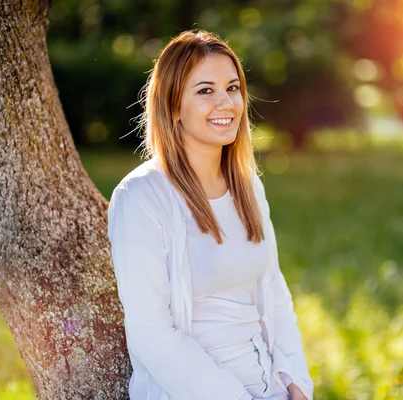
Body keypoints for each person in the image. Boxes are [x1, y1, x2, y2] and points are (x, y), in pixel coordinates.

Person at [107, 29, 314, 400]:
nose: (227, 103)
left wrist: (297, 384)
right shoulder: (140, 197)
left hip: (272, 388)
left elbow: (274, 292)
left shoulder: (247, 185)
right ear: (172, 106)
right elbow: (150, 331)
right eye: (205, 91)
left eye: (233, 88)